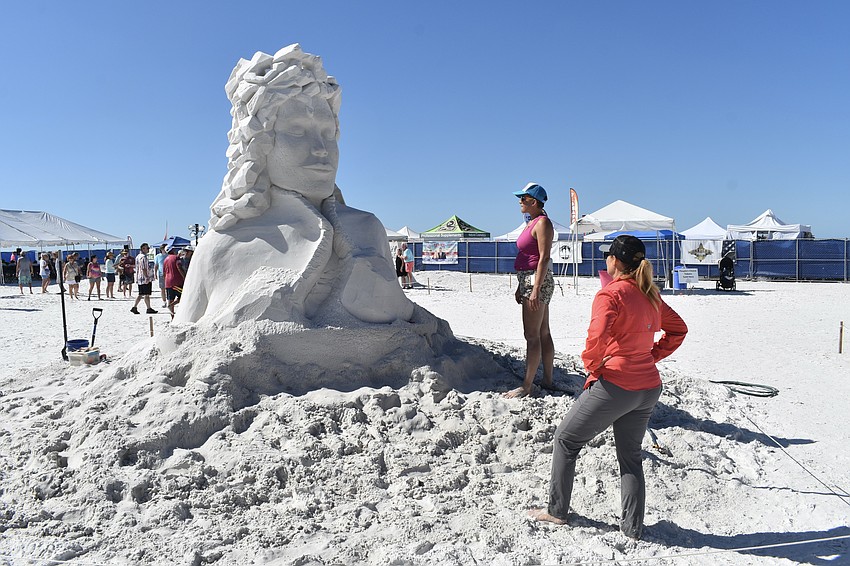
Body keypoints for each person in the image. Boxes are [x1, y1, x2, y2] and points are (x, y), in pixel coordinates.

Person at [174, 45, 414, 327]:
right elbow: (179, 341)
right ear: (259, 145)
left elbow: (418, 329)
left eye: (328, 134)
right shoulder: (222, 245)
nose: (321, 148)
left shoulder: (366, 228)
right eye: (297, 132)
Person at [528, 235, 688, 540]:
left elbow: (595, 339)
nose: (606, 260)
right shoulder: (650, 293)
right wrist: (651, 355)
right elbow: (679, 329)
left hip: (618, 383)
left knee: (565, 440)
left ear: (615, 261)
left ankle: (557, 511)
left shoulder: (610, 294)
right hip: (648, 386)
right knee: (630, 456)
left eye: (608, 256)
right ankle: (632, 529)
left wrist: (593, 365)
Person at [505, 183, 555, 398]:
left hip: (536, 280)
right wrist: (520, 286)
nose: (520, 202)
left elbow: (543, 257)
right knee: (543, 332)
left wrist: (534, 289)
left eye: (523, 199)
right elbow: (529, 256)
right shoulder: (533, 222)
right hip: (529, 279)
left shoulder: (542, 223)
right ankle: (547, 380)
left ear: (533, 202)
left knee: (531, 335)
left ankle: (527, 385)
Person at [130, 243, 157, 314]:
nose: (148, 249)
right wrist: (146, 277)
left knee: (142, 293)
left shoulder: (138, 256)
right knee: (146, 294)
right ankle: (146, 308)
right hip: (144, 278)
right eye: (147, 248)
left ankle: (138, 307)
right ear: (143, 249)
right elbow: (143, 268)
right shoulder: (143, 257)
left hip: (140, 278)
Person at [162, 246, 186, 318]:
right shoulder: (176, 258)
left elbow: (164, 273)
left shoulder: (165, 260)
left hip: (168, 282)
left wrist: (165, 280)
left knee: (170, 298)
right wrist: (184, 277)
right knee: (183, 297)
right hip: (177, 281)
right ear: (173, 250)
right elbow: (179, 267)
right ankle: (171, 305)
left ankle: (172, 317)